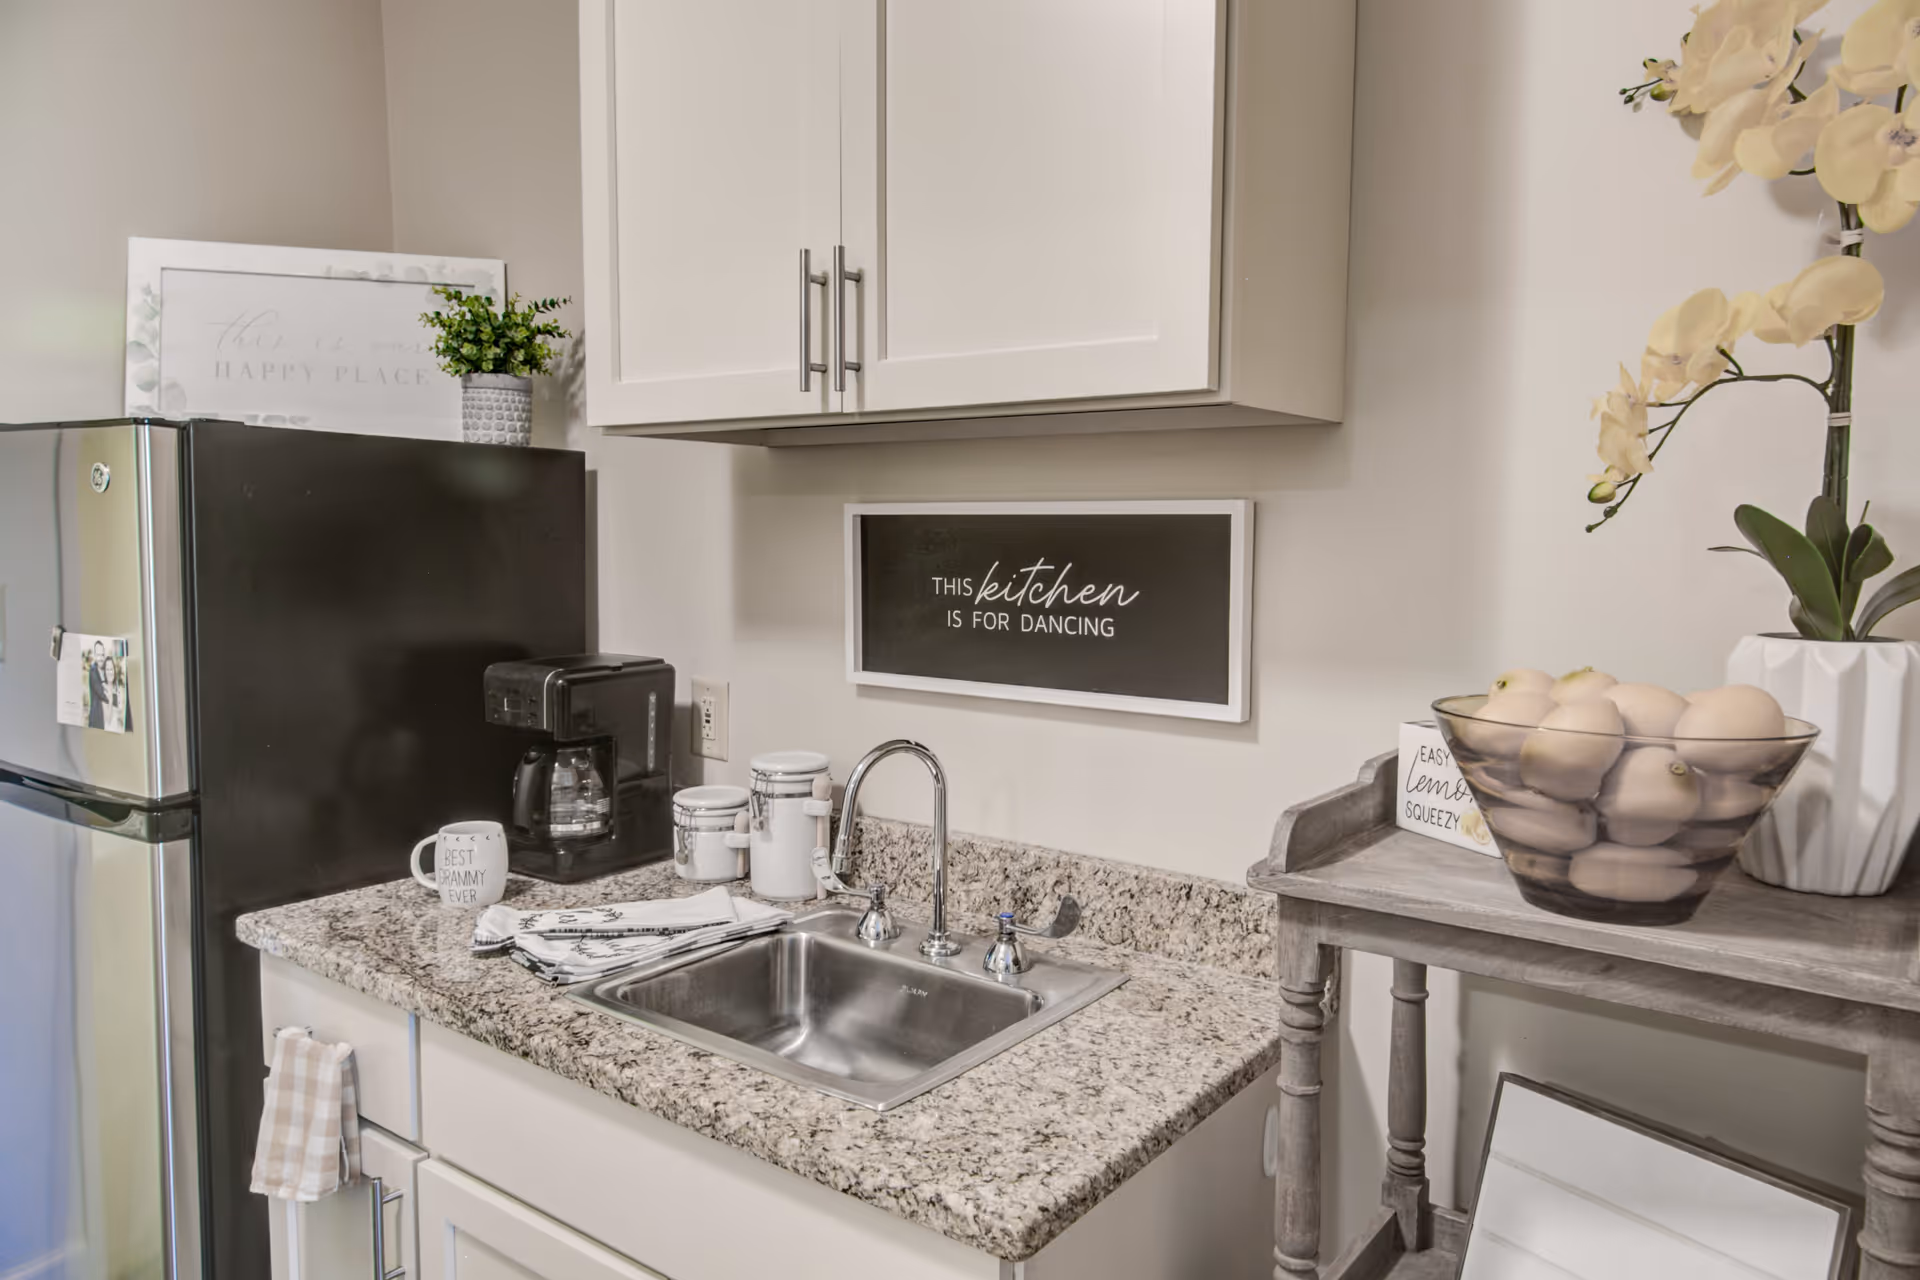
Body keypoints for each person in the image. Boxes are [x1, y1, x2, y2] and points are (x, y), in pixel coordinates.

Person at [86, 641, 107, 729]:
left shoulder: (101, 670)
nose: (101, 658)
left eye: (102, 655)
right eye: (98, 655)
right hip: (96, 718)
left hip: (100, 717)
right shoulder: (93, 671)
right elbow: (102, 693)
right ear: (94, 655)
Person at [101, 656, 125, 733]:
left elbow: (121, 715)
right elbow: (107, 719)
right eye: (107, 669)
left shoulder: (118, 689)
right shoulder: (103, 688)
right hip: (108, 731)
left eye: (111, 669)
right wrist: (111, 700)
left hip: (119, 730)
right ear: (104, 671)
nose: (110, 672)